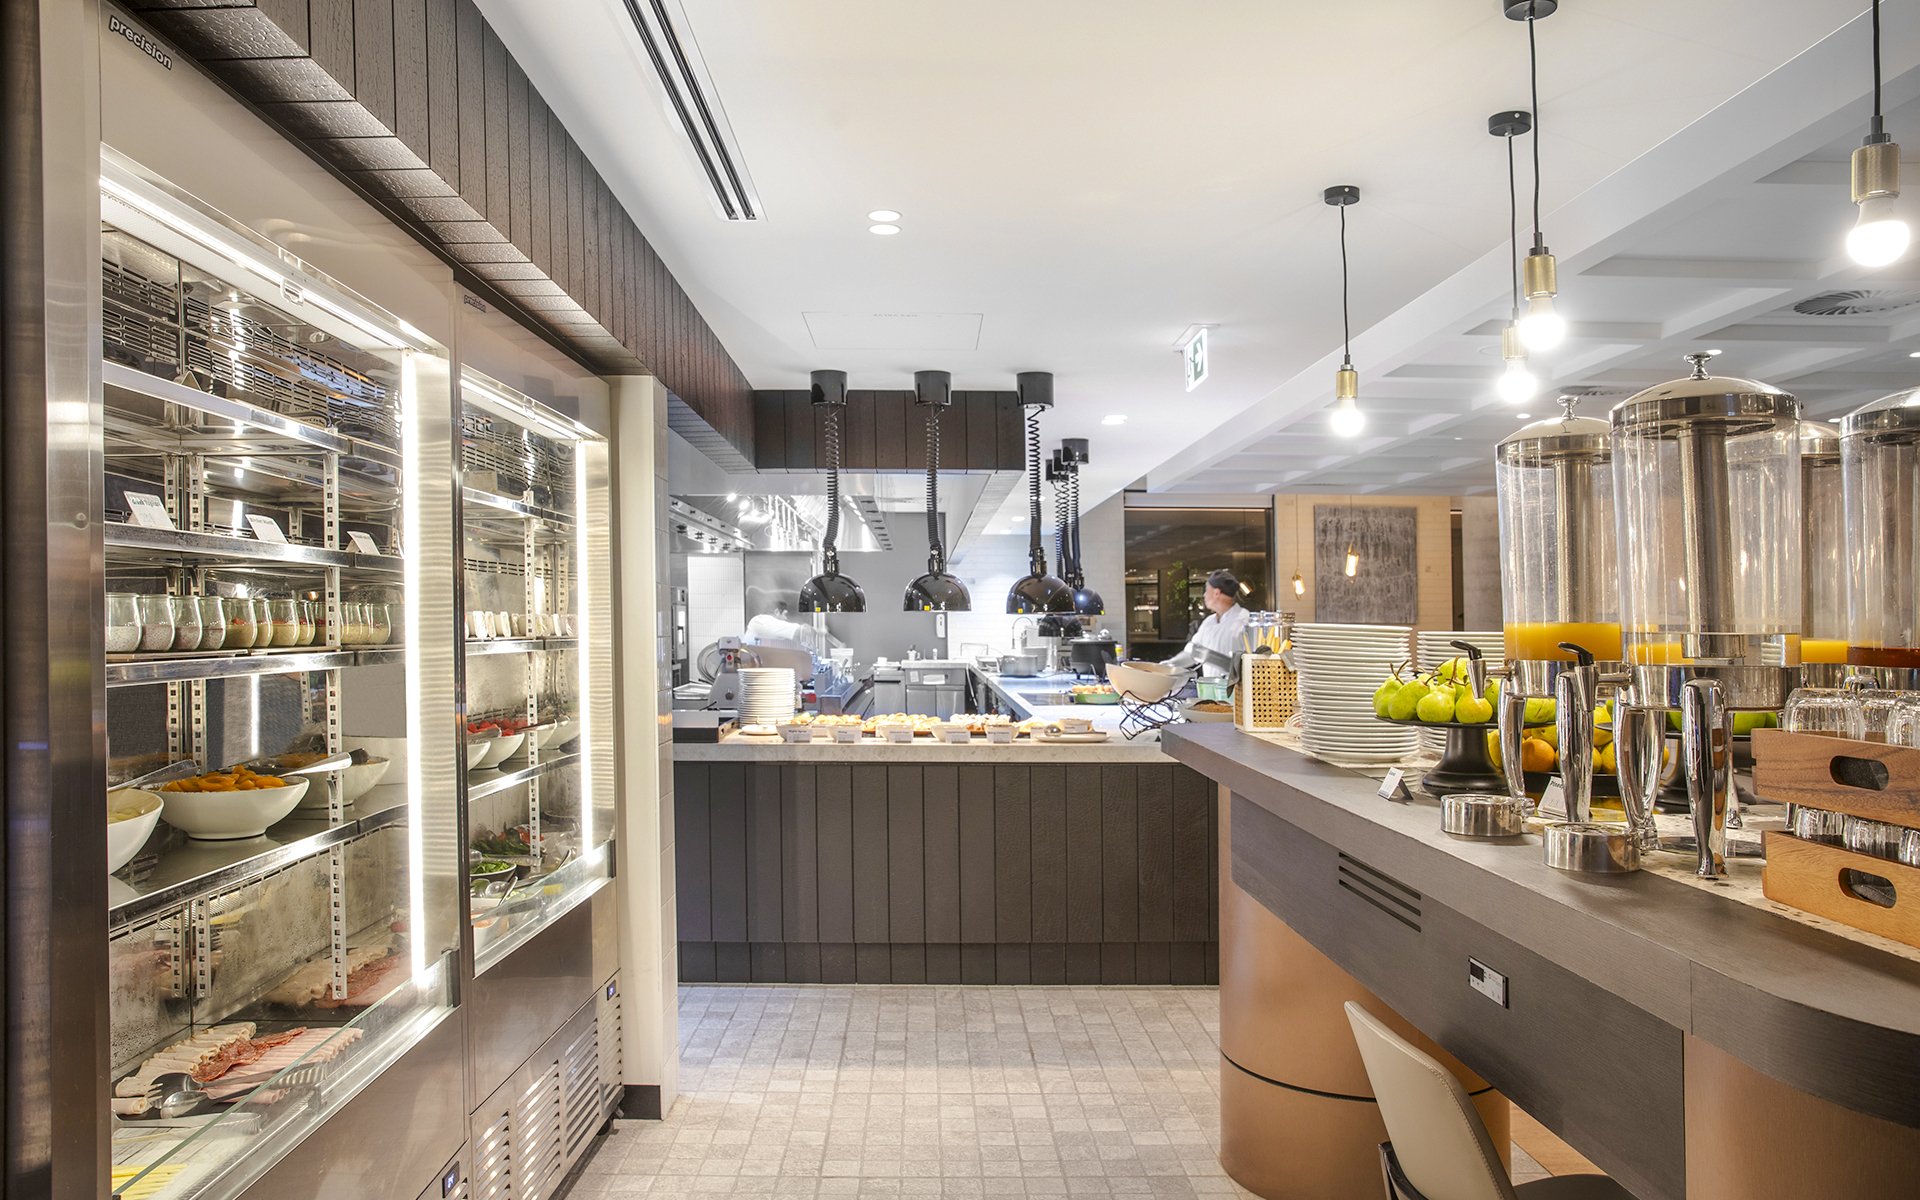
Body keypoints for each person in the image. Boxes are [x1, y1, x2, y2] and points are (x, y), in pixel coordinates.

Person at [1166, 570, 1251, 677]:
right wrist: (1169, 665)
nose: (1204, 595)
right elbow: (1192, 653)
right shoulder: (1208, 623)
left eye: (1206, 590)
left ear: (1216, 593)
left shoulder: (1245, 621)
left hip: (1237, 691)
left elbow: (1254, 663)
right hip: (1209, 689)